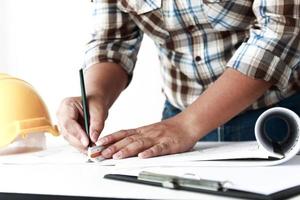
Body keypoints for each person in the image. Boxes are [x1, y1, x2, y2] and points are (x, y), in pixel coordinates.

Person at [57, 0, 300, 159]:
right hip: (175, 124)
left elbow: (281, 32)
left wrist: (187, 125)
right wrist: (95, 95)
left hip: (276, 117)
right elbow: (113, 40)